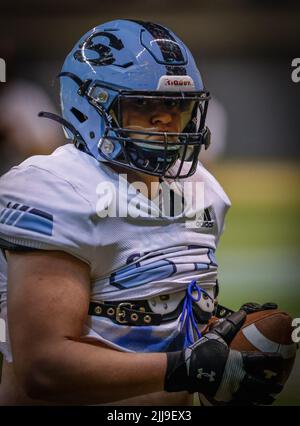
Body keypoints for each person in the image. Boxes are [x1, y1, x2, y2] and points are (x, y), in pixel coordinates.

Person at [0, 19, 282, 405]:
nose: (165, 119)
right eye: (144, 105)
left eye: (174, 105)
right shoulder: (56, 188)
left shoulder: (203, 191)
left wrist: (215, 336)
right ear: (90, 108)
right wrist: (187, 368)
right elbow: (45, 368)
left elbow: (161, 314)